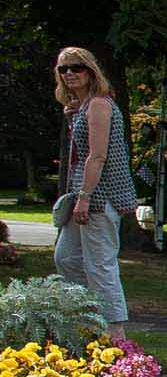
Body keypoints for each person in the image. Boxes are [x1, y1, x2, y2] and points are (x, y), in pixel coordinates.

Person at [51, 47, 136, 340]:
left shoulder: (100, 104)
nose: (70, 73)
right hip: (81, 198)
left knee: (100, 264)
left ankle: (115, 332)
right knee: (66, 258)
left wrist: (85, 197)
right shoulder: (83, 107)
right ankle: (85, 318)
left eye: (77, 67)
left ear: (90, 70)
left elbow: (97, 156)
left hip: (99, 198)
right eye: (64, 69)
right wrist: (73, 115)